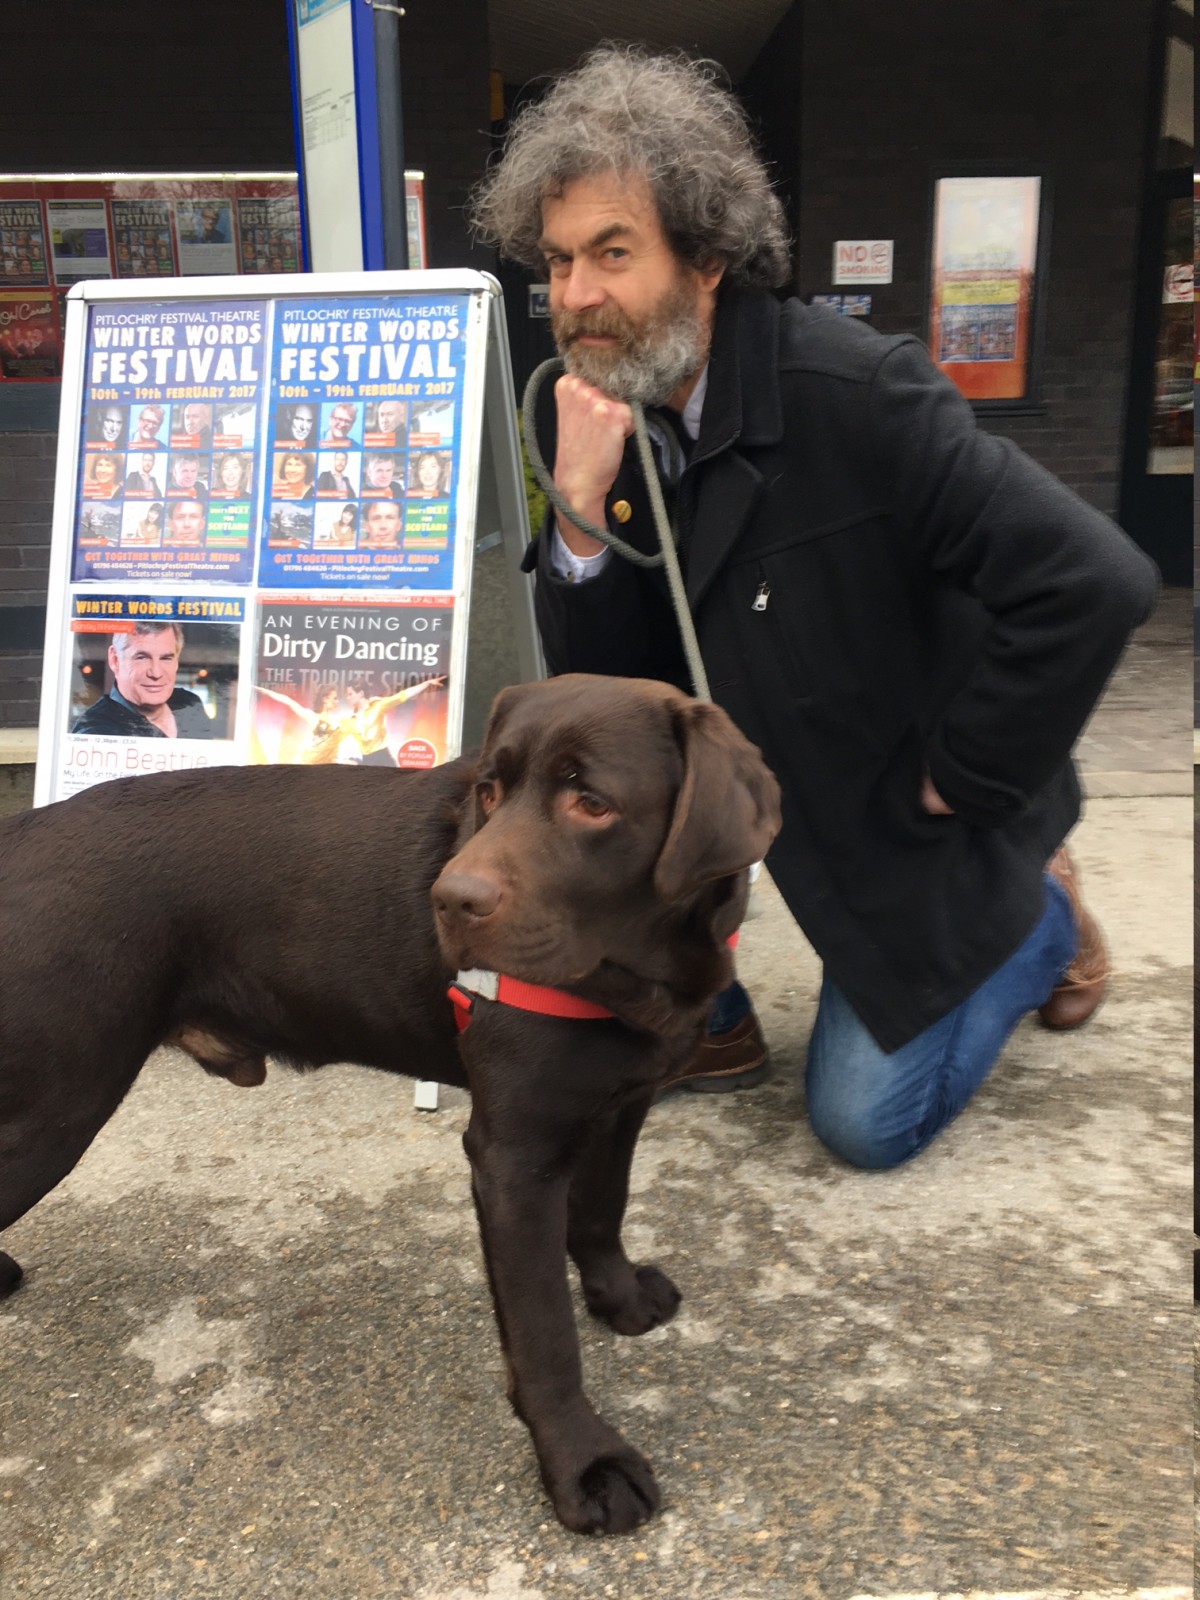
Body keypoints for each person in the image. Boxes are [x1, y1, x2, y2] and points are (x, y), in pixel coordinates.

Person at [468, 46, 1159, 1168]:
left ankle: (1043, 919)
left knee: (860, 1124)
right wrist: (580, 506)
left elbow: (1095, 578)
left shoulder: (856, 395)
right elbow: (618, 695)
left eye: (612, 253)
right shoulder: (628, 424)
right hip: (790, 819)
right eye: (556, 260)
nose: (575, 296)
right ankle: (711, 1018)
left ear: (708, 257)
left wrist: (975, 771)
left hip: (915, 830)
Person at [71, 621, 214, 739]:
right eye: (142, 657)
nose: (156, 673)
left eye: (166, 658)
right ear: (115, 660)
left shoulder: (190, 703)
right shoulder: (95, 732)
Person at [341, 676, 445, 765]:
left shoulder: (378, 705)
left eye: (350, 694)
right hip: (367, 760)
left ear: (360, 693)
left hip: (382, 757)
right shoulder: (350, 719)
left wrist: (426, 683)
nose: (347, 697)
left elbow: (402, 695)